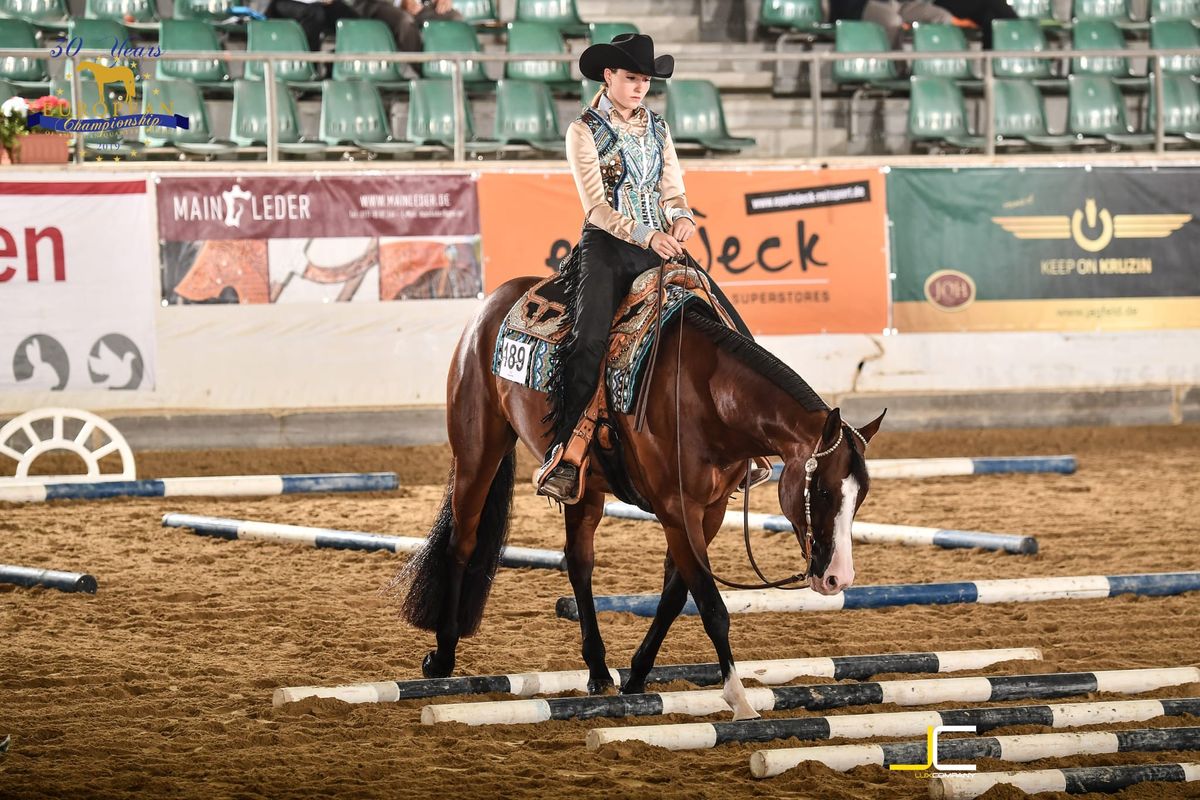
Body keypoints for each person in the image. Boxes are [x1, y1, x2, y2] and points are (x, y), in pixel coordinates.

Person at [533, 33, 770, 505]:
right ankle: (567, 452)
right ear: (609, 77)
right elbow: (596, 209)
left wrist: (682, 215)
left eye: (645, 79)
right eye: (632, 78)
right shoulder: (583, 129)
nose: (641, 87)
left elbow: (673, 191)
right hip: (607, 247)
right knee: (588, 339)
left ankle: (748, 445)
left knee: (728, 323)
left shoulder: (658, 129)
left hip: (659, 243)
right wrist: (648, 235)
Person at [348, 0, 462, 54]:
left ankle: (454, 71)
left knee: (454, 17)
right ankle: (420, 71)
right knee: (405, 22)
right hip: (375, 5)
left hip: (415, 7)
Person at [266, 0, 358, 54]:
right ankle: (308, 63)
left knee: (351, 17)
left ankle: (334, 64)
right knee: (315, 14)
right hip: (284, 3)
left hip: (320, 4)